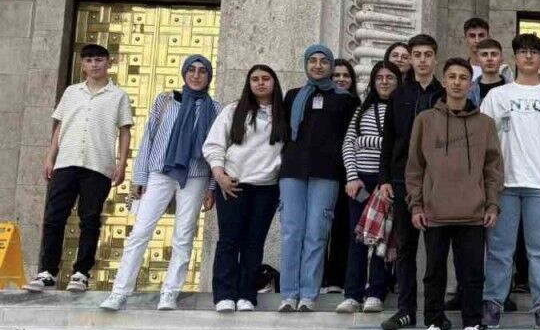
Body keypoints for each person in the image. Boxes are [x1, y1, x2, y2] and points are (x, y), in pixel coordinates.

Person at [101, 55, 220, 311]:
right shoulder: (165, 100)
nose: (196, 75)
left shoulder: (215, 109)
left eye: (202, 71)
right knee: (140, 231)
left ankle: (170, 292)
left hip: (196, 176)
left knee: (183, 236)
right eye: (191, 70)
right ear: (184, 73)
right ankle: (119, 292)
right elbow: (149, 138)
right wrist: (139, 177)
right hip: (160, 172)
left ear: (209, 76)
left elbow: (216, 151)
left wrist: (212, 187)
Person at [405, 58, 504, 330]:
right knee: (434, 272)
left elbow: (493, 168)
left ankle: (472, 327)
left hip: (473, 212)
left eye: (463, 77)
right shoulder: (425, 120)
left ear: (471, 84)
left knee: (472, 273)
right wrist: (416, 205)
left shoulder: (485, 124)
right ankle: (433, 326)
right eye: (452, 77)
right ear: (444, 81)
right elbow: (415, 167)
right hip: (434, 211)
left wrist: (492, 204)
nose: (457, 82)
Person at [480, 33, 540, 330]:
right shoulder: (497, 96)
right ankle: (493, 304)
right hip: (503, 186)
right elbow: (484, 142)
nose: (530, 56)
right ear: (515, 57)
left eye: (535, 52)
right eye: (523, 51)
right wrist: (487, 184)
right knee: (499, 251)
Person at [25, 44, 133, 293]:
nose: (94, 64)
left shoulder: (118, 96)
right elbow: (60, 127)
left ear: (108, 62)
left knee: (90, 220)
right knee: (54, 217)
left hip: (98, 165)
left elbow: (125, 131)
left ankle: (81, 273)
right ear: (82, 65)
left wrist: (121, 163)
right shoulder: (71, 92)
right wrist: (50, 158)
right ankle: (47, 272)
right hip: (66, 162)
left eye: (99, 60)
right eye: (89, 60)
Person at [275, 45, 356, 312]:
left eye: (324, 61)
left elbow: (349, 140)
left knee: (316, 233)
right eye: (313, 60)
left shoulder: (345, 100)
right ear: (306, 64)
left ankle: (308, 294)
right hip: (293, 172)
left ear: (331, 66)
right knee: (291, 232)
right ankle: (288, 294)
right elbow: (282, 134)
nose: (318, 65)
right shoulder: (293, 96)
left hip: (327, 173)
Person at [204, 64, 286, 313]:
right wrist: (220, 175)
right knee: (229, 241)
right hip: (233, 184)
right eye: (255, 79)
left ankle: (247, 295)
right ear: (249, 84)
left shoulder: (284, 114)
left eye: (266, 78)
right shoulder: (233, 110)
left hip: (267, 188)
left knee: (254, 243)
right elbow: (214, 145)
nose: (260, 83)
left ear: (274, 82)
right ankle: (224, 295)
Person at [379, 34, 445, 330]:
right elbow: (389, 140)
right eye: (416, 55)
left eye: (427, 54)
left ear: (435, 58)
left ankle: (434, 312)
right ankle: (405, 309)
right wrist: (384, 179)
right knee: (405, 248)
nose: (422, 60)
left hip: (437, 183)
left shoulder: (444, 95)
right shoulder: (399, 95)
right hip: (402, 179)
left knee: (436, 251)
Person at [336, 61, 400, 314]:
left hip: (386, 184)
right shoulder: (361, 109)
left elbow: (399, 145)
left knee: (381, 238)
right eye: (379, 77)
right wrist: (352, 177)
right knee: (358, 237)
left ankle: (376, 292)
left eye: (390, 77)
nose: (384, 82)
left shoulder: (401, 108)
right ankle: (352, 294)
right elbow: (348, 143)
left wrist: (366, 140)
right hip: (361, 181)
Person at [323, 59, 359, 293]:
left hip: (348, 173)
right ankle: (319, 279)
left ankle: (338, 279)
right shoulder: (319, 101)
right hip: (323, 171)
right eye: (336, 75)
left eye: (346, 75)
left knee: (343, 226)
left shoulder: (356, 104)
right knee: (320, 228)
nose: (341, 79)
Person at [467, 38, 508, 106]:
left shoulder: (513, 89)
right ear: (477, 59)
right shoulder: (469, 91)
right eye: (484, 55)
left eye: (494, 54)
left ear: (501, 57)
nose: (489, 58)